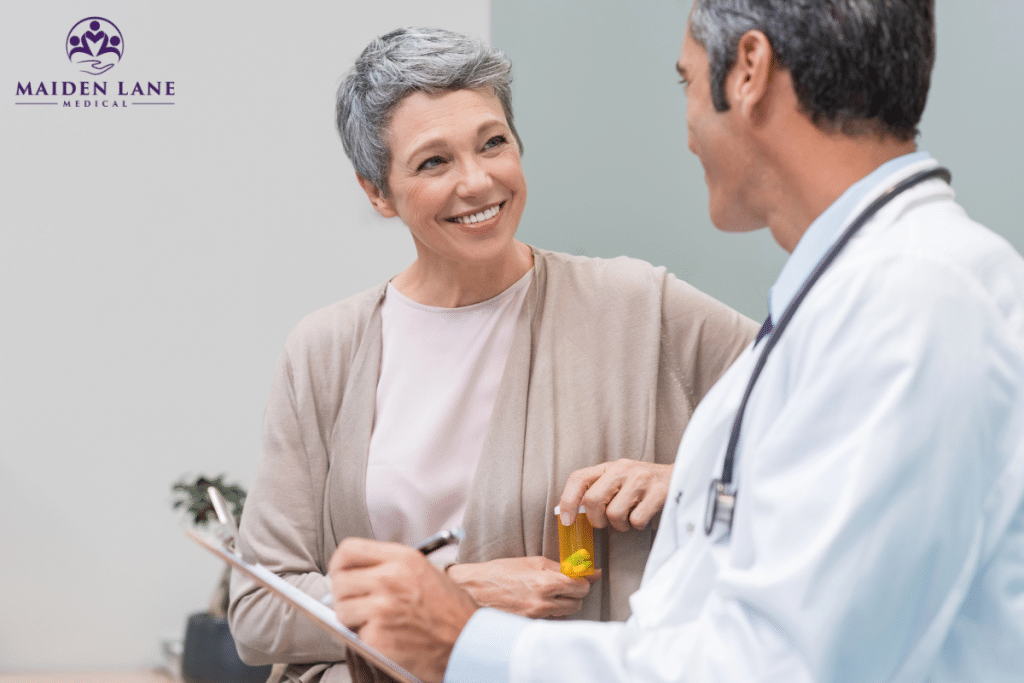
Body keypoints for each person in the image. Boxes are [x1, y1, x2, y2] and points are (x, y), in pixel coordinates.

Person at [326, 2, 1024, 682]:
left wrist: (465, 643)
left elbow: (781, 665)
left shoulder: (913, 303)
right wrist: (690, 476)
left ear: (747, 70)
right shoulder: (862, 296)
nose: (688, 130)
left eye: (686, 81)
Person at [228, 27, 756, 683]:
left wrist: (685, 477)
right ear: (377, 192)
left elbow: (831, 425)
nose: (478, 181)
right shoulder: (326, 349)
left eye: (492, 143)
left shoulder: (641, 304)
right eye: (433, 162)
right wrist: (461, 592)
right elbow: (258, 608)